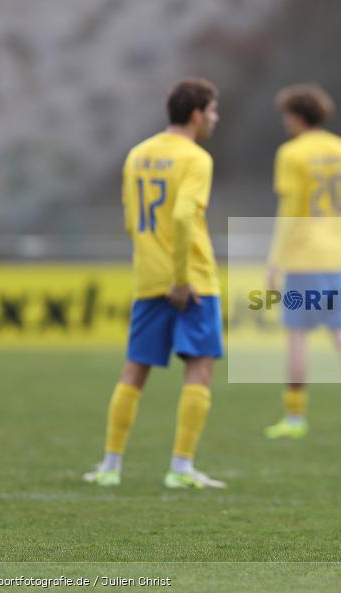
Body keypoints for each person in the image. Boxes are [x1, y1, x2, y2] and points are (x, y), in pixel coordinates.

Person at [84, 78, 226, 489]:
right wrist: (180, 279)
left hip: (148, 278)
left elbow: (131, 218)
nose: (215, 119)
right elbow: (183, 217)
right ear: (197, 113)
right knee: (199, 369)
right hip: (192, 281)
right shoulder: (196, 158)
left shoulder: (137, 154)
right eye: (213, 111)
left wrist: (155, 267)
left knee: (134, 372)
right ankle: (181, 468)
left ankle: (110, 466)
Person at [264, 83, 341, 440]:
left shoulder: (291, 153)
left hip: (303, 255)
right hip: (338, 255)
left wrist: (274, 261)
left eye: (287, 114)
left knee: (297, 335)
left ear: (298, 116)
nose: (285, 121)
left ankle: (295, 418)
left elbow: (290, 211)